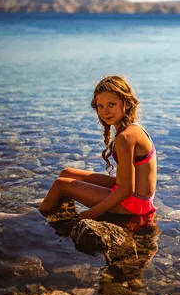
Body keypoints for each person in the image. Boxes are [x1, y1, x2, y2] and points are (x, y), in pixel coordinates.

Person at [38, 75, 157, 220]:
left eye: (111, 104)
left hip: (134, 205)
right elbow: (126, 184)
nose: (105, 111)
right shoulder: (134, 127)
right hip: (138, 198)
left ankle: (32, 219)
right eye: (100, 106)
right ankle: (56, 206)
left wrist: (91, 213)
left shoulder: (125, 138)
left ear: (126, 103)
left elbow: (127, 189)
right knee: (66, 173)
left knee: (60, 185)